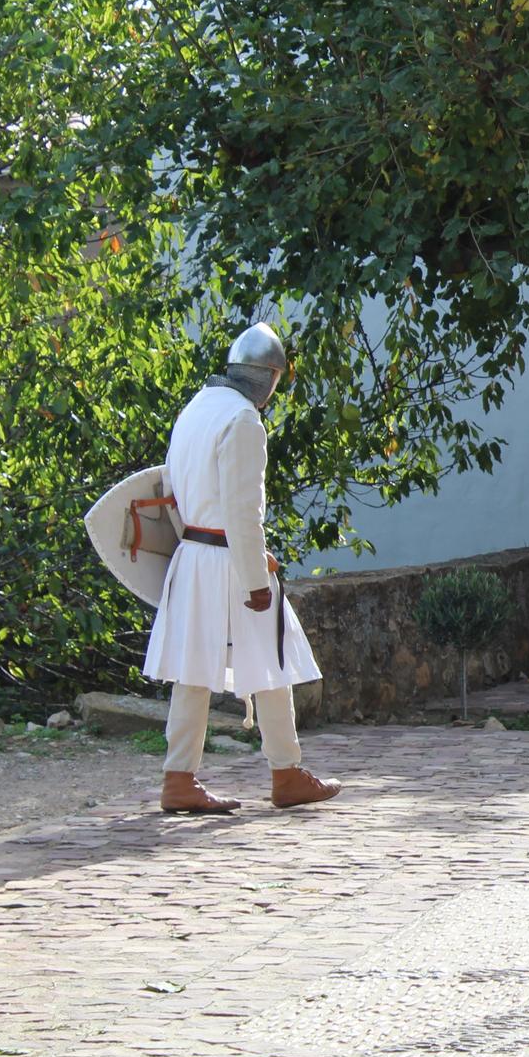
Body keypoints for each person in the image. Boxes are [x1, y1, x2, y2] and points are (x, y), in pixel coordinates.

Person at [145, 323, 339, 814]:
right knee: (271, 662)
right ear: (269, 378)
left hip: (191, 556)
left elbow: (170, 490)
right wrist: (256, 579)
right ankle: (284, 772)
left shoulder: (197, 408)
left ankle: (181, 777)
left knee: (195, 670)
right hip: (226, 562)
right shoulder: (244, 421)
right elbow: (242, 512)